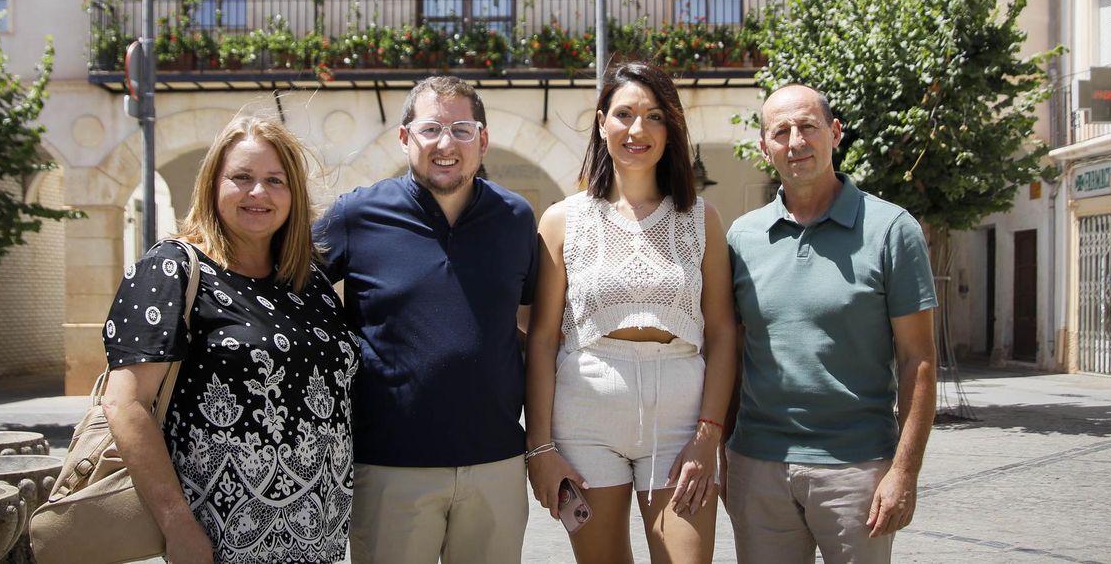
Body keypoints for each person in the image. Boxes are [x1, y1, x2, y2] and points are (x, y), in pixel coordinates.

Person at [100, 116, 358, 564]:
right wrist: (177, 526)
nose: (258, 192)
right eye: (241, 177)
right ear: (212, 185)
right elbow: (125, 404)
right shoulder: (172, 268)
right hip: (220, 537)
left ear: (293, 194)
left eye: (274, 180)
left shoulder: (309, 280)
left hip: (320, 531)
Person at [314, 75, 539, 564]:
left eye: (461, 129)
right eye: (431, 128)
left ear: (482, 139)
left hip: (496, 462)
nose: (445, 144)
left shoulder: (516, 218)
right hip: (391, 466)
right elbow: (287, 291)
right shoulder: (357, 214)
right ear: (404, 137)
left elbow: (533, 324)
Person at [525, 60, 738, 564]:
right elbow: (540, 340)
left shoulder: (701, 219)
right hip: (585, 417)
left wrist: (710, 436)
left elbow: (725, 333)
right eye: (624, 114)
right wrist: (540, 450)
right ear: (602, 123)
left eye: (654, 116)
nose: (637, 129)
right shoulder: (561, 220)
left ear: (671, 129)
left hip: (682, 417)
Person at [724, 83, 938, 564]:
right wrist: (724, 452)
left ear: (835, 133)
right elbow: (732, 351)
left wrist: (904, 471)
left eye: (808, 127)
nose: (795, 141)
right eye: (780, 131)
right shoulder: (742, 237)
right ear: (764, 147)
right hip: (758, 466)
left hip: (858, 471)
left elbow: (918, 360)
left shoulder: (891, 229)